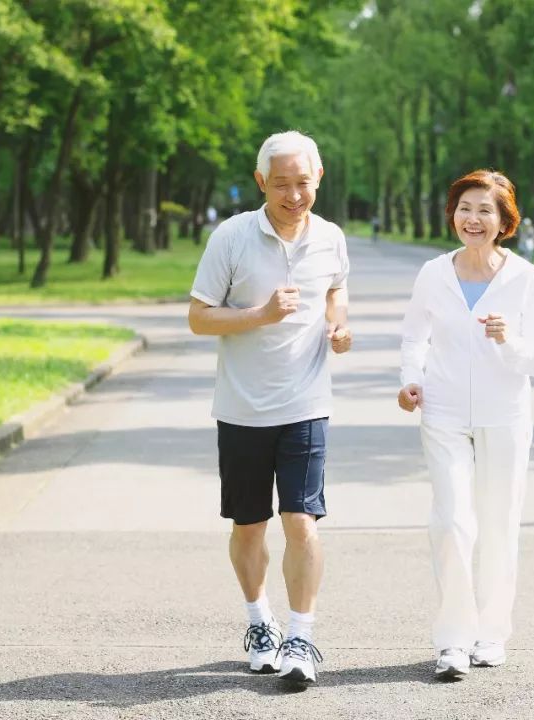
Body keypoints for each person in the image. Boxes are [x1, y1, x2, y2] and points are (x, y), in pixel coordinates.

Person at [188, 131, 352, 684]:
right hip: (241, 408)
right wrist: (259, 315)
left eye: (302, 182)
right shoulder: (232, 237)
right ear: (262, 182)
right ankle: (261, 621)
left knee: (302, 520)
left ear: (318, 179)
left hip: (306, 403)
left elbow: (336, 290)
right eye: (281, 183)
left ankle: (302, 636)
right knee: (249, 526)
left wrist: (339, 325)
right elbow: (199, 316)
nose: (293, 194)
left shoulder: (330, 238)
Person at [397, 169, 534, 680]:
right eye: (465, 208)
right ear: (453, 214)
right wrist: (410, 379)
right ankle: (453, 640)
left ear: (504, 220)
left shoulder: (523, 277)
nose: (473, 219)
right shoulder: (434, 273)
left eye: (485, 210)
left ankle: (491, 634)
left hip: (504, 415)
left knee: (498, 522)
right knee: (451, 522)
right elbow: (414, 337)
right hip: (441, 412)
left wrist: (508, 340)